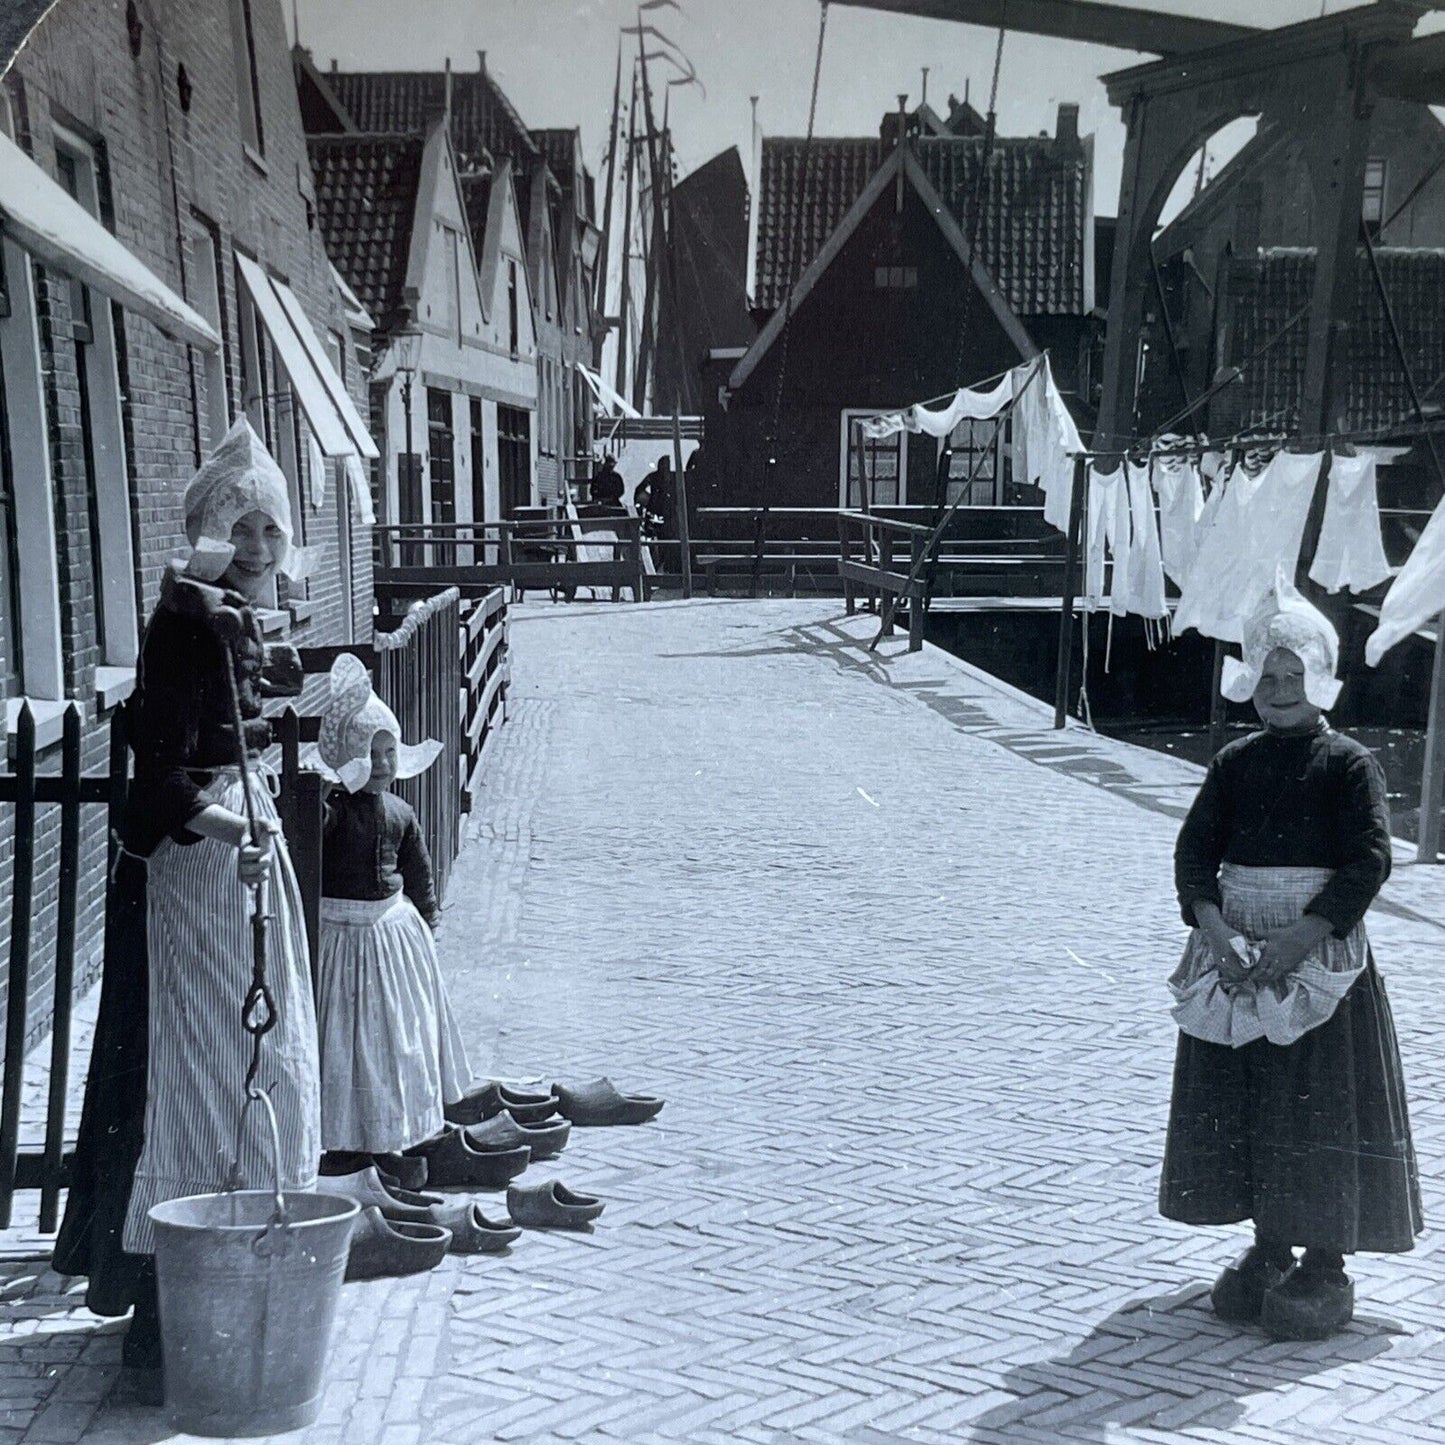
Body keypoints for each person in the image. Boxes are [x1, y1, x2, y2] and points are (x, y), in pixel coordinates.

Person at [54, 419, 323, 1386]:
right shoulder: (181, 627)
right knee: (204, 1074)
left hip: (247, 862)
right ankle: (170, 1298)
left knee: (268, 1061)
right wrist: (233, 832)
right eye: (237, 530)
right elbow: (159, 784)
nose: (254, 548)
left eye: (268, 531)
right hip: (202, 874)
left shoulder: (247, 617)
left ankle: (251, 1255)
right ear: (205, 533)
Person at [1161, 572, 1422, 1341]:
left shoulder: (1346, 764)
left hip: (1316, 963)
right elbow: (1192, 854)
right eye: (1266, 675)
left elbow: (1368, 860)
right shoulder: (1235, 763)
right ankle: (1268, 1246)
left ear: (1318, 678)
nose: (1278, 689)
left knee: (1318, 1101)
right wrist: (1214, 930)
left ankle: (1324, 1262)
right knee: (1257, 1099)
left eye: (1292, 675)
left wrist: (1301, 937)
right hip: (1240, 959)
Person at [310, 654, 473, 1168]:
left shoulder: (401, 813)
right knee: (345, 1038)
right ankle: (346, 1136)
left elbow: (418, 872)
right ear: (348, 754)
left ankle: (399, 1128)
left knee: (398, 1035)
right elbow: (306, 856)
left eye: (388, 753)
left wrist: (427, 919)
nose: (382, 764)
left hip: (391, 934)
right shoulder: (331, 813)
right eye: (370, 753)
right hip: (341, 934)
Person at [633, 455, 673, 540]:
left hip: (668, 511)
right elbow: (639, 490)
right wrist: (644, 501)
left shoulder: (672, 477)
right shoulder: (653, 476)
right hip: (654, 509)